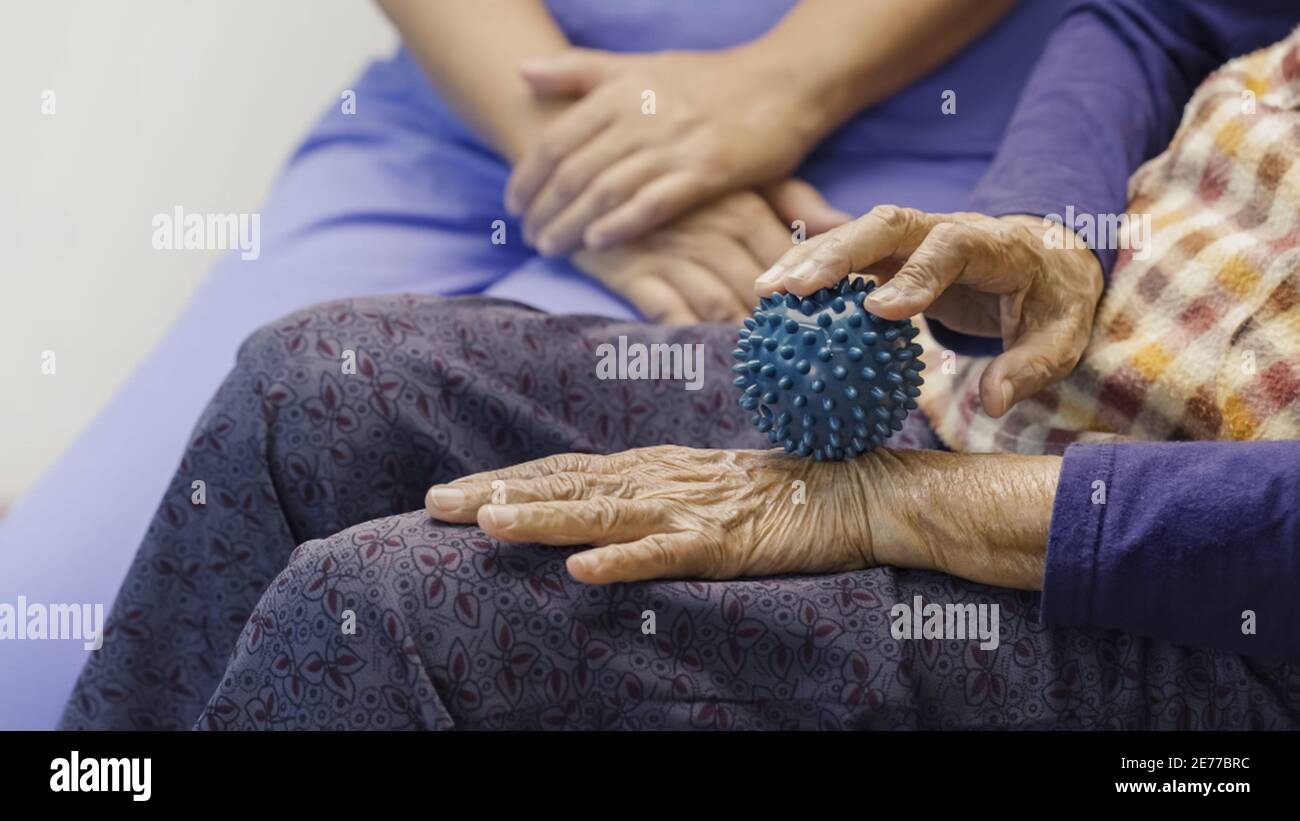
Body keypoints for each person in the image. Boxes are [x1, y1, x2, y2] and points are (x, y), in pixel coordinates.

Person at [61, 0, 1300, 730]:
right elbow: (1164, 12)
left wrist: (907, 506)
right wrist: (1046, 226)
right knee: (315, 385)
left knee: (395, 606)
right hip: (1004, 394)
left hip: (1200, 597)